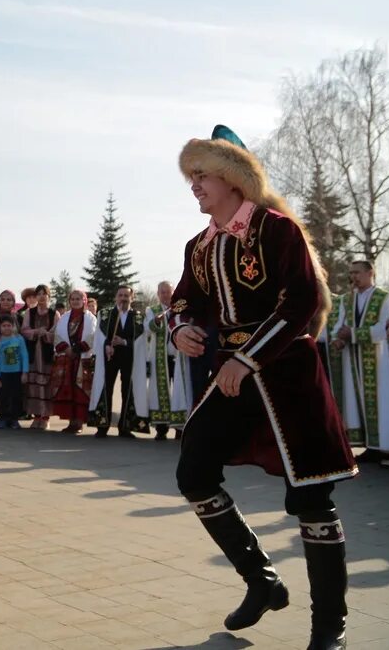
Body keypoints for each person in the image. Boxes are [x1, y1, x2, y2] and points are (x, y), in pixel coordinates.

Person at [170, 125, 356, 650]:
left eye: (202, 175)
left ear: (233, 179)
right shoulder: (199, 246)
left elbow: (299, 304)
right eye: (192, 177)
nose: (194, 186)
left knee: (313, 497)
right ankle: (262, 580)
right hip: (233, 377)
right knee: (194, 471)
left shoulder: (276, 231)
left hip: (288, 378)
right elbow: (185, 301)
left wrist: (247, 358)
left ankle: (329, 631)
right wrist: (181, 327)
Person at [328, 260, 389, 463]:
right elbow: (339, 324)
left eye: (357, 272)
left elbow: (382, 329)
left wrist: (353, 334)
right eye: (351, 273)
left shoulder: (385, 298)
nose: (353, 277)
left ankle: (387, 446)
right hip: (353, 357)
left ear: (370, 272)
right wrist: (338, 338)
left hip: (378, 358)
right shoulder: (347, 300)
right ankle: (369, 445)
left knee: (381, 401)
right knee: (356, 401)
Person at [90, 285, 147, 438]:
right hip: (110, 357)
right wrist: (107, 345)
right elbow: (99, 337)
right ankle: (103, 425)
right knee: (106, 388)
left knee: (127, 390)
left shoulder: (139, 317)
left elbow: (141, 340)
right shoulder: (105, 314)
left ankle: (125, 426)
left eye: (126, 296)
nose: (123, 298)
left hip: (130, 358)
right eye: (120, 295)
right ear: (116, 297)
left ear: (132, 298)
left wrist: (124, 342)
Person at [143, 281, 192, 440]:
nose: (165, 295)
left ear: (173, 292)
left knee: (180, 391)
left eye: (168, 292)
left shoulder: (181, 309)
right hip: (160, 357)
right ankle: (161, 428)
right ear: (158, 294)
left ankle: (180, 427)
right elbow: (147, 329)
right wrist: (156, 321)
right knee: (159, 392)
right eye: (162, 292)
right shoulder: (152, 310)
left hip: (179, 357)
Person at [50, 290, 97, 433]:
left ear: (84, 300)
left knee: (80, 391)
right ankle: (71, 421)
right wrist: (67, 349)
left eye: (79, 298)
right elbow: (57, 336)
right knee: (68, 390)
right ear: (69, 301)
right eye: (73, 299)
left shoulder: (91, 319)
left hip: (82, 358)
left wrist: (76, 349)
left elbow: (92, 336)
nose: (75, 301)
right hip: (67, 359)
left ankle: (79, 422)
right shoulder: (64, 318)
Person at [22, 283, 58, 429]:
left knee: (46, 384)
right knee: (33, 385)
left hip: (46, 352)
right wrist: (36, 331)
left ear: (49, 296)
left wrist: (47, 334)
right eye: (39, 294)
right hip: (32, 351)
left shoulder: (54, 314)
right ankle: (36, 416)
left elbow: (57, 333)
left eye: (45, 294)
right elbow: (24, 330)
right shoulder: (29, 313)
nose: (42, 296)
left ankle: (45, 417)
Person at [0, 314, 28, 429]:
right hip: (3, 374)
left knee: (16, 397)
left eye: (9, 325)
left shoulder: (19, 339)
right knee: (3, 397)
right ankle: (3, 418)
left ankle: (14, 419)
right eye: (4, 326)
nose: (6, 328)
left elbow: (24, 355)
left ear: (14, 326)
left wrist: (25, 372)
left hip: (17, 373)